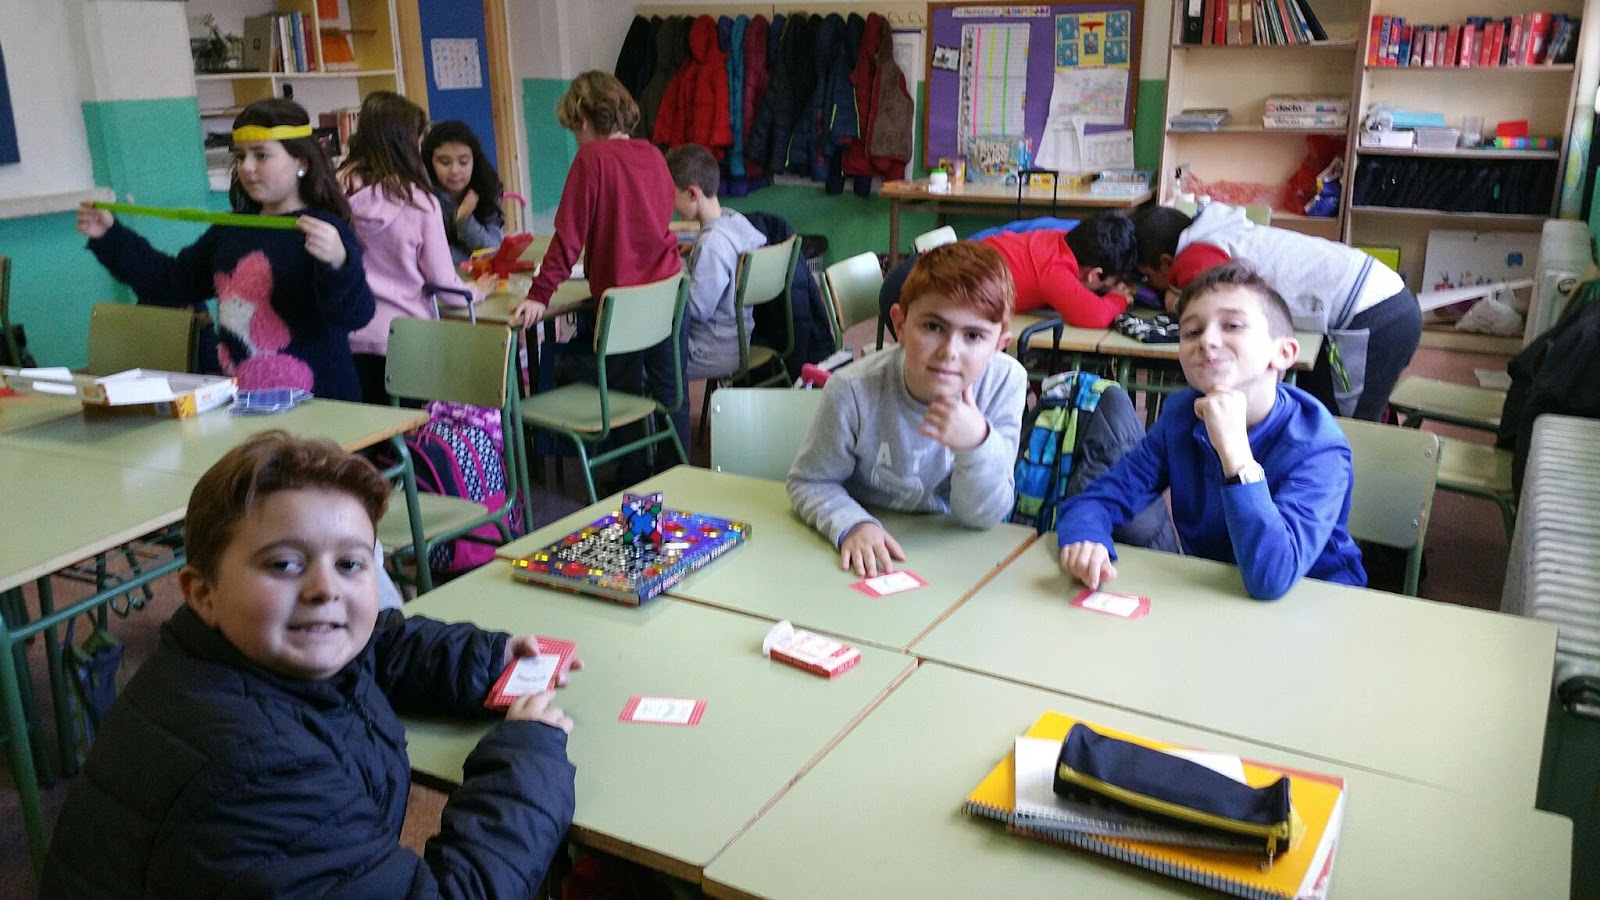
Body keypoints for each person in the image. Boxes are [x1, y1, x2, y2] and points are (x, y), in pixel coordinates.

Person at [41, 430, 577, 896]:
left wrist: (486, 660)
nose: (325, 589)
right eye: (284, 564)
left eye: (350, 563)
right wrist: (525, 755)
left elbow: (377, 644)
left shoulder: (231, 652)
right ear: (203, 593)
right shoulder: (253, 772)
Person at [1057, 261, 1366, 601]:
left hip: (1316, 600)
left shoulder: (1318, 447)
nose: (1207, 340)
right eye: (1192, 332)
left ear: (1283, 352)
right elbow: (1098, 499)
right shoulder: (1181, 415)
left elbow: (1272, 577)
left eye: (1232, 325)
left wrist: (1235, 452)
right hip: (1216, 594)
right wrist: (1086, 537)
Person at [77, 99, 374, 401]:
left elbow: (356, 315)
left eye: (261, 155)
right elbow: (170, 283)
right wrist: (110, 236)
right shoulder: (232, 230)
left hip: (321, 403)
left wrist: (338, 262)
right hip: (245, 401)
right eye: (241, 156)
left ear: (302, 162)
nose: (247, 167)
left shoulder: (324, 230)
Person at [789, 241, 1028, 577]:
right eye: (933, 327)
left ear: (998, 346)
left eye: (974, 336)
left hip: (956, 551)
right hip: (869, 551)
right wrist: (853, 524)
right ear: (900, 325)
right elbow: (810, 482)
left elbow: (983, 516)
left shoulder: (1005, 382)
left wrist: (977, 443)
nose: (950, 352)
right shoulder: (851, 390)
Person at [508, 70, 687, 460]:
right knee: (672, 394)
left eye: (575, 128)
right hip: (669, 293)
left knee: (621, 399)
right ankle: (678, 474)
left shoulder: (591, 158)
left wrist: (539, 295)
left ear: (584, 120)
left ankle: (630, 477)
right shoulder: (654, 154)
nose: (576, 137)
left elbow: (568, 239)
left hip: (622, 304)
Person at [1134, 202, 1422, 421]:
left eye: (1148, 276)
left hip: (1375, 313)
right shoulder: (1216, 230)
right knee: (1323, 398)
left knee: (1346, 423)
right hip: (1380, 299)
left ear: (1166, 261)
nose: (1149, 284)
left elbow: (1207, 305)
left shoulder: (1194, 254)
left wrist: (1172, 299)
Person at [339, 92, 489, 405]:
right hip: (408, 342)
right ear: (407, 142)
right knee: (412, 431)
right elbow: (447, 288)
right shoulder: (419, 202)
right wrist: (477, 291)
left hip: (346, 338)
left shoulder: (336, 191)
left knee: (367, 431)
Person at [878, 212, 1139, 332]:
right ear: (1093, 275)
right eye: (1107, 283)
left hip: (924, 270)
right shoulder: (1055, 271)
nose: (1105, 289)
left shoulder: (1057, 238)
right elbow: (1095, 315)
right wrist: (1118, 298)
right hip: (915, 286)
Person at [664, 142, 767, 380]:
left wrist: (676, 268)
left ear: (692, 194)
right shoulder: (735, 221)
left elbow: (696, 309)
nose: (670, 204)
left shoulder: (712, 245)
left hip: (709, 351)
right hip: (737, 340)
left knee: (634, 364)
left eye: (672, 195)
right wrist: (694, 250)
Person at [423, 119, 506, 267]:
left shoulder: (486, 186)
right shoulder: (422, 194)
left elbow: (494, 248)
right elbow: (428, 257)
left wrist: (464, 219)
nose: (454, 171)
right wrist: (473, 255)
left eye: (463, 162)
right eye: (444, 162)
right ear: (430, 163)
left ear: (474, 160)